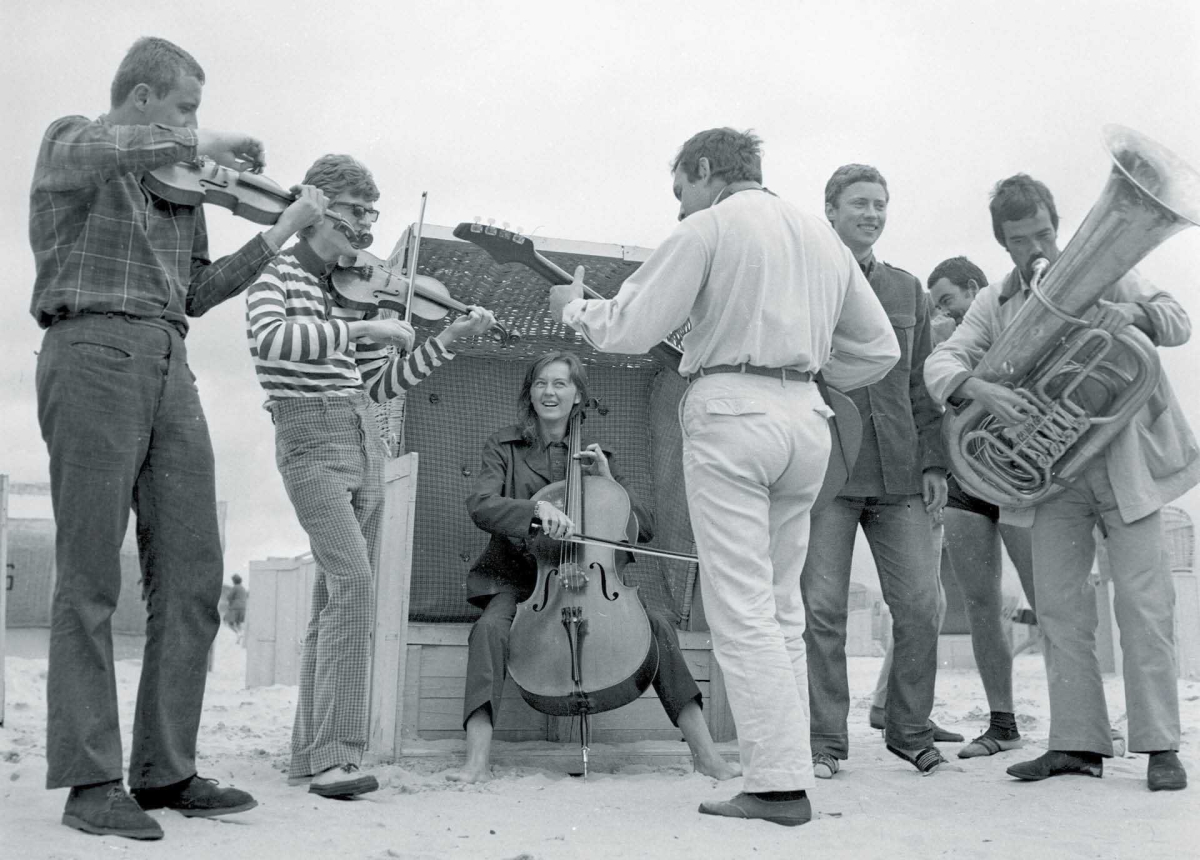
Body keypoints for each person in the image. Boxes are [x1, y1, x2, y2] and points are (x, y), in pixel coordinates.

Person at [549, 128, 899, 825]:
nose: (680, 208)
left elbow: (628, 325)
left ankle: (775, 784)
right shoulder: (821, 237)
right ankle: (791, 765)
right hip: (808, 419)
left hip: (732, 415)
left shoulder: (709, 228)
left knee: (739, 607)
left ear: (706, 170)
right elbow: (880, 350)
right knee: (781, 608)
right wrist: (803, 370)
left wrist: (574, 310)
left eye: (681, 189)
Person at [29, 37, 324, 841]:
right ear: (145, 97)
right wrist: (206, 140)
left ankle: (164, 771)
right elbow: (108, 150)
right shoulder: (71, 139)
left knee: (194, 572)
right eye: (186, 108)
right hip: (90, 347)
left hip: (169, 358)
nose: (196, 126)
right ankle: (91, 783)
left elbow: (195, 291)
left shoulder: (182, 191)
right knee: (88, 576)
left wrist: (277, 236)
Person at [924, 173, 1194, 792]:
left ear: (1056, 222)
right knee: (1061, 612)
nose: (1037, 246)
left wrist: (1129, 311)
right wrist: (978, 387)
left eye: (1045, 231)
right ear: (1004, 242)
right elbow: (943, 361)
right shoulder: (994, 302)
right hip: (1051, 479)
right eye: (1022, 239)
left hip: (1123, 464)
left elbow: (1177, 321)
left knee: (1145, 607)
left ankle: (1159, 746)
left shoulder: (1107, 269)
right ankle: (1077, 743)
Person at [245, 153, 496, 799]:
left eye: (371, 214)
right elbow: (270, 340)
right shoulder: (277, 275)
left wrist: (449, 341)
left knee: (335, 598)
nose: (366, 228)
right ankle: (339, 755)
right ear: (318, 206)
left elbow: (382, 384)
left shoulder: (341, 292)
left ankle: (310, 755)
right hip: (309, 438)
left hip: (362, 437)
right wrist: (363, 324)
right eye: (356, 211)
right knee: (354, 583)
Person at [450, 350, 740, 785]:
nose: (550, 392)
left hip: (589, 579)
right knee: (490, 629)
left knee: (658, 626)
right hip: (519, 578)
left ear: (577, 396)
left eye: (560, 384)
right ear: (530, 393)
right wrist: (535, 512)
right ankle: (476, 758)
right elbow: (482, 505)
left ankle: (704, 752)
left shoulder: (594, 455)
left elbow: (642, 528)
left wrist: (610, 481)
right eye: (541, 383)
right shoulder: (504, 447)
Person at [800, 164, 952, 779]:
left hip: (902, 476)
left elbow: (920, 381)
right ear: (830, 210)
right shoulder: (801, 281)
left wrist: (936, 460)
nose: (872, 213)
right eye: (859, 203)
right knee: (822, 611)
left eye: (880, 203)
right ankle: (825, 743)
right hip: (826, 477)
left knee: (920, 606)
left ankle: (909, 731)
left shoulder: (907, 288)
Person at [226, 574, 249, 641]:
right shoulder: (243, 588)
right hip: (243, 607)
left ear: (234, 581)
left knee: (230, 623)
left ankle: (238, 633)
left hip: (235, 607)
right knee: (238, 623)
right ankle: (240, 635)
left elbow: (229, 597)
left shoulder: (235, 587)